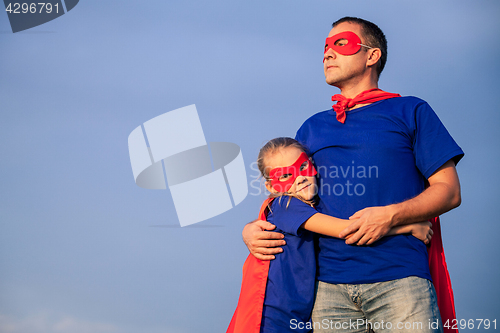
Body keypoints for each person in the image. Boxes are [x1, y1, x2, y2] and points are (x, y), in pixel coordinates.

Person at [242, 17, 463, 333]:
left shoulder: (411, 111)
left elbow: (450, 191)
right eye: (325, 48)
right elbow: (289, 195)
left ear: (372, 56)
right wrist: (252, 229)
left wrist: (391, 216)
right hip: (327, 291)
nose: (328, 54)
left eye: (340, 43)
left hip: (399, 279)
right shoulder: (311, 127)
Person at [228, 137, 433, 333]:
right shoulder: (287, 205)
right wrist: (408, 226)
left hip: (295, 316)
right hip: (273, 317)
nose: (299, 178)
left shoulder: (304, 208)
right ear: (271, 187)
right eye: (285, 175)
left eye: (302, 167)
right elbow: (347, 230)